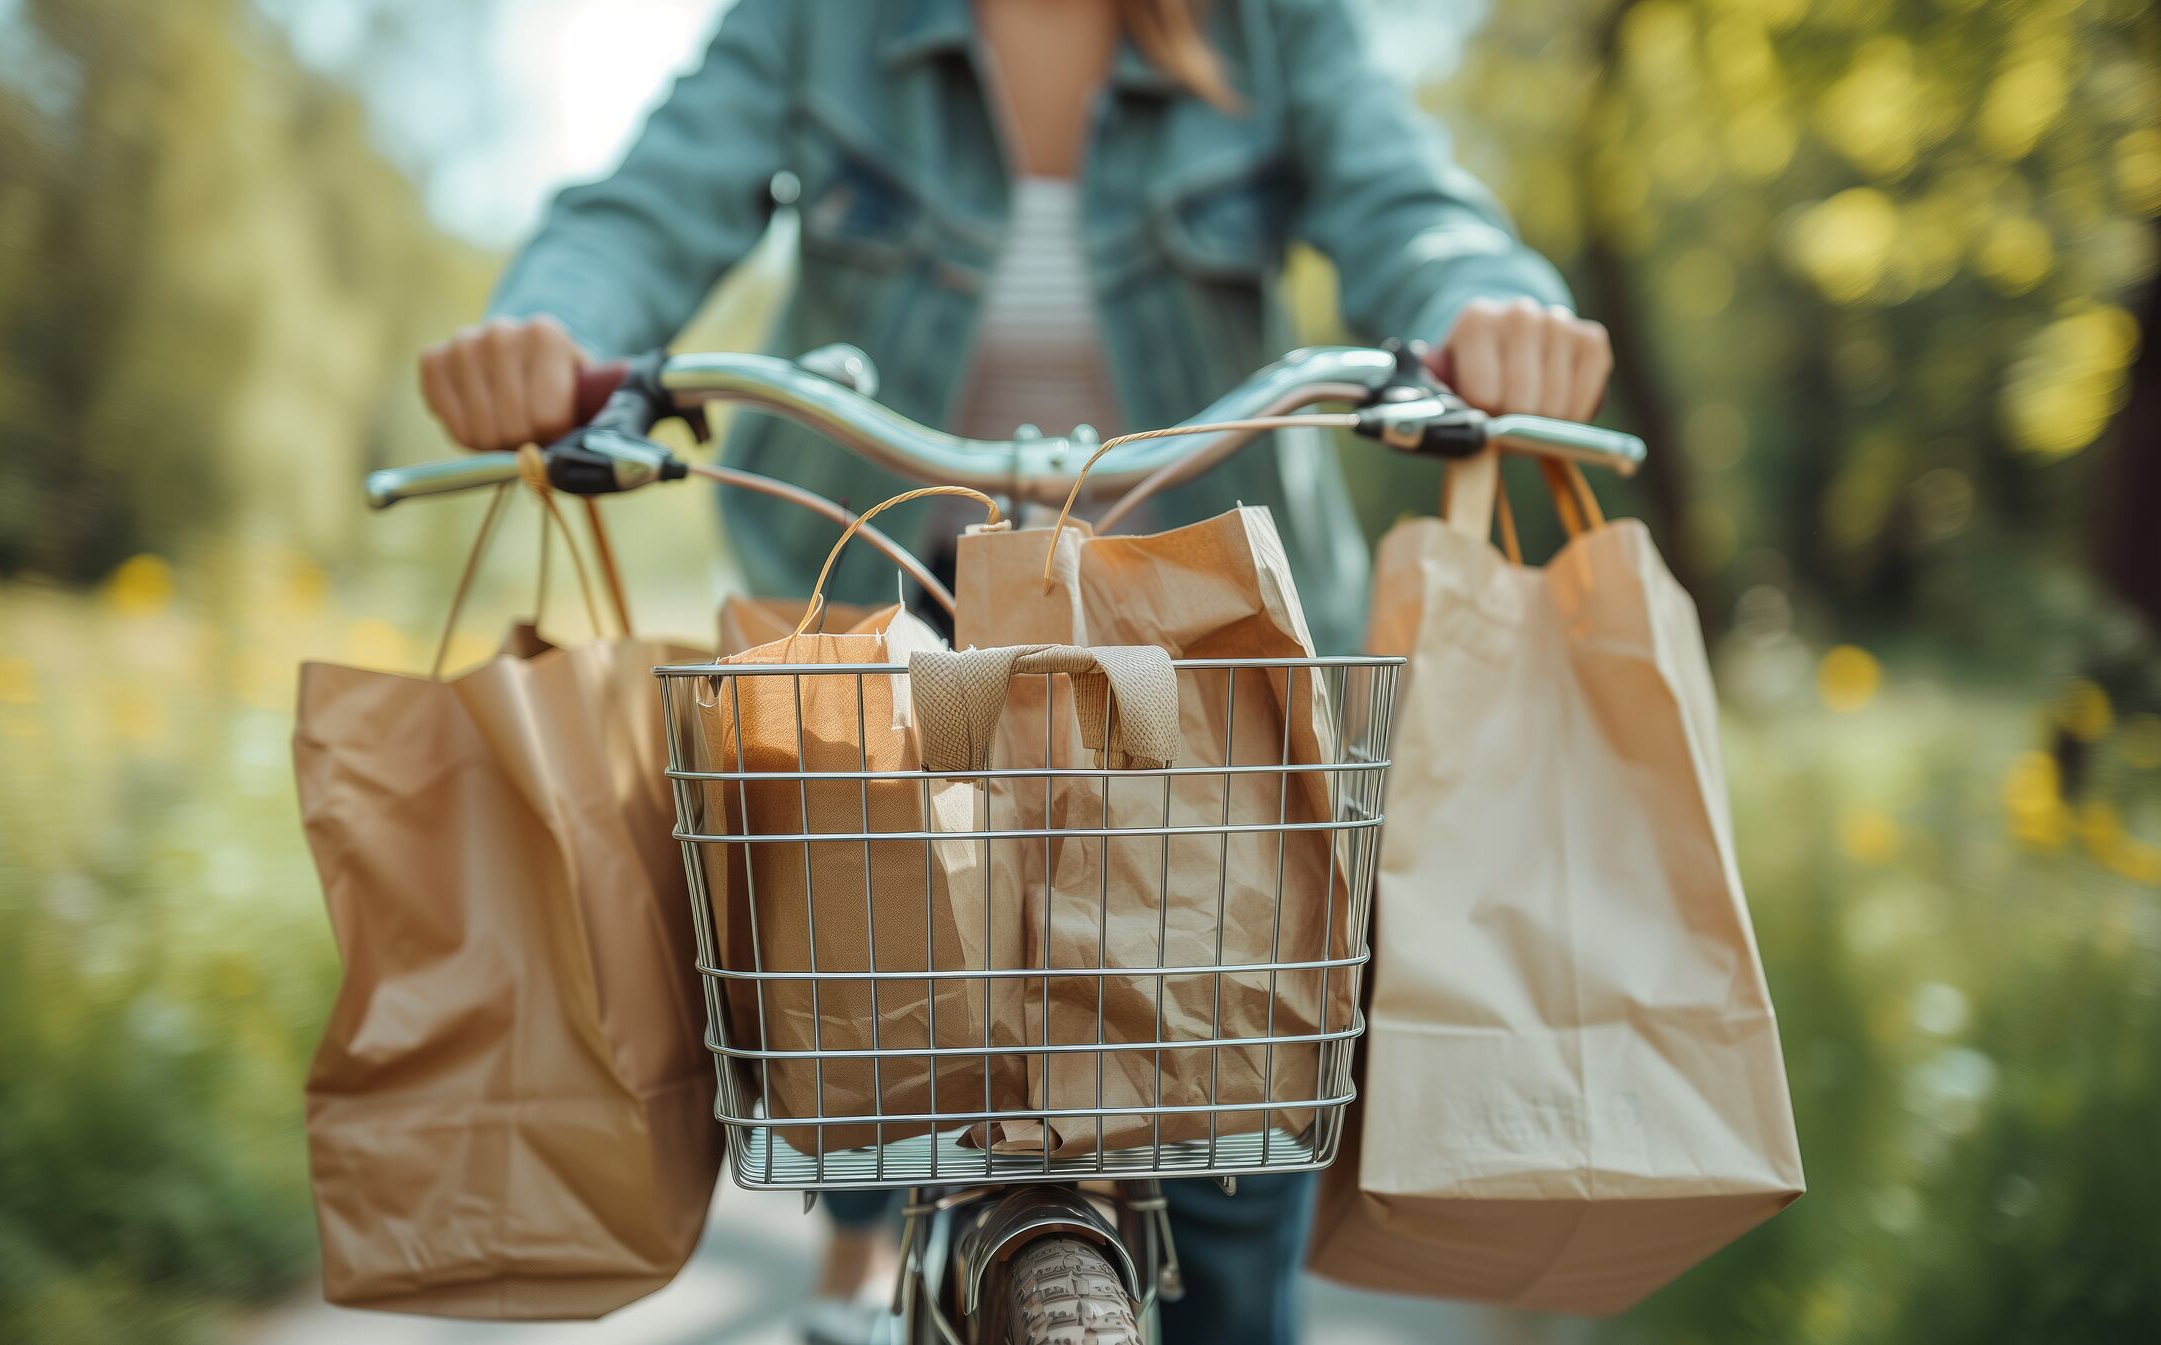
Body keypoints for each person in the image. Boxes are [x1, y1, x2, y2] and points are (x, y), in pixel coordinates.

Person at [418, 2, 1610, 1342]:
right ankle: (866, 1254)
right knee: (865, 1029)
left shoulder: (1269, 25)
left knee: (1232, 1218)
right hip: (897, 643)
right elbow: (646, 205)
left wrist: (1489, 311)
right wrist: (543, 326)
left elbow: (1408, 197)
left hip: (1208, 679)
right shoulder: (823, 25)